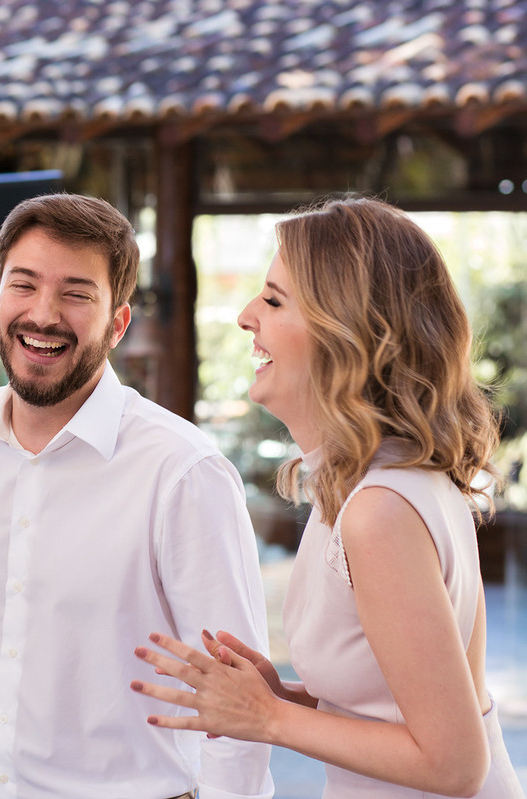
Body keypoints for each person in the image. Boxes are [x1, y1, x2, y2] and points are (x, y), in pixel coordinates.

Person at [0, 193, 274, 799]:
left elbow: (240, 710)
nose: (43, 315)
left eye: (76, 293)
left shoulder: (182, 470)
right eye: (24, 284)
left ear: (117, 323)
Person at [132, 197, 525, 798]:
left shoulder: (379, 510)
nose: (245, 316)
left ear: (345, 330)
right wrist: (279, 698)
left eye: (272, 299)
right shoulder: (365, 483)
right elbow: (387, 700)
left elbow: (455, 765)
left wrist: (269, 719)